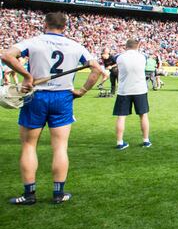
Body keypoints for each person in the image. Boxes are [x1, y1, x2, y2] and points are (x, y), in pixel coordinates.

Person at [1, 11, 103, 205]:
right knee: (60, 147)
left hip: (36, 96)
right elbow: (97, 69)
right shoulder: (75, 45)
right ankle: (58, 194)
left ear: (45, 24)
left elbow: (7, 55)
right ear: (64, 27)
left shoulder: (33, 41)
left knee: (29, 145)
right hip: (63, 97)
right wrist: (82, 90)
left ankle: (29, 195)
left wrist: (27, 76)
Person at [113, 38, 151, 149]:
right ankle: (146, 140)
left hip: (124, 90)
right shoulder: (143, 56)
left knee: (121, 117)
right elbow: (145, 55)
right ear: (137, 46)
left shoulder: (119, 57)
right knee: (143, 115)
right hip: (140, 90)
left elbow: (114, 57)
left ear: (126, 46)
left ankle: (119, 142)